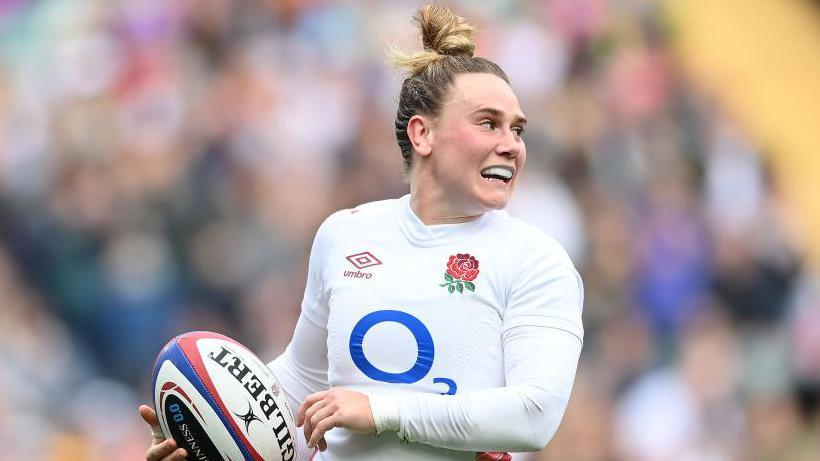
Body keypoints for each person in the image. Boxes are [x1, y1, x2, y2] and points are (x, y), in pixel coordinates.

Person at [139, 5, 584, 461]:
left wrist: (382, 411)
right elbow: (300, 389)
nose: (511, 144)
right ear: (422, 134)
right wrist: (205, 434)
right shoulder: (345, 234)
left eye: (517, 129)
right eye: (488, 123)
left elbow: (534, 415)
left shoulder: (537, 260)